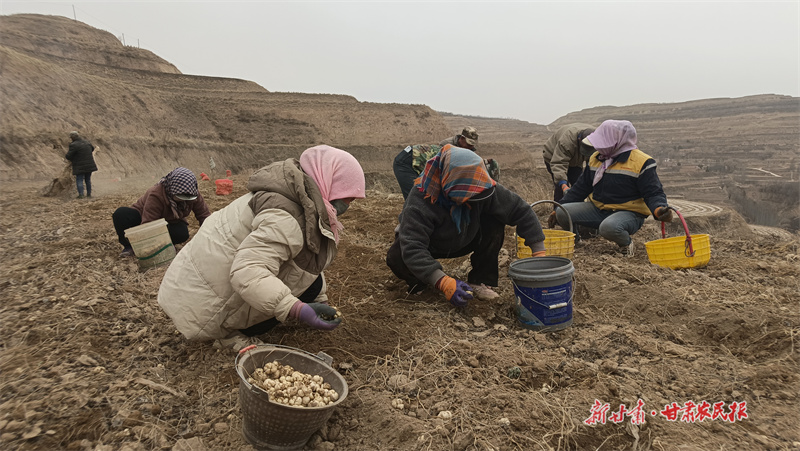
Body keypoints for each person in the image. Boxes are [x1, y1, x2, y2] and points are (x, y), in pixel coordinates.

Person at [157, 145, 366, 350]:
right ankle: (228, 335)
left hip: (190, 286)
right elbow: (248, 272)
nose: (349, 204)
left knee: (306, 282)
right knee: (276, 304)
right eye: (348, 196)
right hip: (204, 309)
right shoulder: (286, 216)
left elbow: (309, 257)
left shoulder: (292, 191)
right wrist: (296, 309)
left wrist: (318, 299)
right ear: (329, 182)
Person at [386, 145, 546, 306]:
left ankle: (480, 279)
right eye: (470, 197)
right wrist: (443, 282)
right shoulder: (421, 198)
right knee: (396, 256)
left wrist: (539, 253)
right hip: (431, 244)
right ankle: (422, 282)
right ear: (451, 187)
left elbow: (520, 210)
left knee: (494, 220)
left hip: (467, 236)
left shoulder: (482, 184)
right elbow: (413, 247)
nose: (478, 198)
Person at [553, 120, 674, 257]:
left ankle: (626, 244)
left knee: (609, 227)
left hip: (629, 213)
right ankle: (574, 241)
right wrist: (560, 206)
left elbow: (653, 192)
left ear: (617, 142)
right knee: (562, 212)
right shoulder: (597, 158)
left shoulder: (642, 162)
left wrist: (659, 209)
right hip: (599, 209)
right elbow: (580, 188)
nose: (598, 147)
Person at [112, 167, 211, 257]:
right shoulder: (156, 194)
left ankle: (165, 243)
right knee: (121, 214)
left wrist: (210, 237)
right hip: (143, 219)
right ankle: (130, 246)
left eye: (187, 197)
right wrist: (149, 248)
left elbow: (204, 216)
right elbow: (149, 223)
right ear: (172, 190)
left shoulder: (193, 194)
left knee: (181, 233)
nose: (183, 200)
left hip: (167, 222)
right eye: (180, 196)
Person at [393, 126, 499, 200]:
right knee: (415, 198)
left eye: (473, 144)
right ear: (462, 138)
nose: (471, 147)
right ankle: (406, 228)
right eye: (469, 144)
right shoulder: (446, 147)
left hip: (417, 160)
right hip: (406, 162)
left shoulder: (465, 148)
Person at [542, 123, 596, 209]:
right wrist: (564, 186)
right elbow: (558, 163)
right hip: (553, 157)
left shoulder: (598, 139)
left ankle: (577, 213)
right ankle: (558, 214)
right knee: (561, 188)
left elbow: (594, 163)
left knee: (578, 185)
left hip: (576, 161)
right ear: (579, 139)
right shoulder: (567, 142)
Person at [65, 131, 98, 199]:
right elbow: (92, 149)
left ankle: (81, 195)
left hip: (79, 165)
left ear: (73, 137)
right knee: (87, 180)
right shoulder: (87, 142)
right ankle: (89, 195)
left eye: (71, 137)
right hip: (90, 164)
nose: (71, 139)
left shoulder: (73, 145)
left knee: (79, 179)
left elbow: (68, 156)